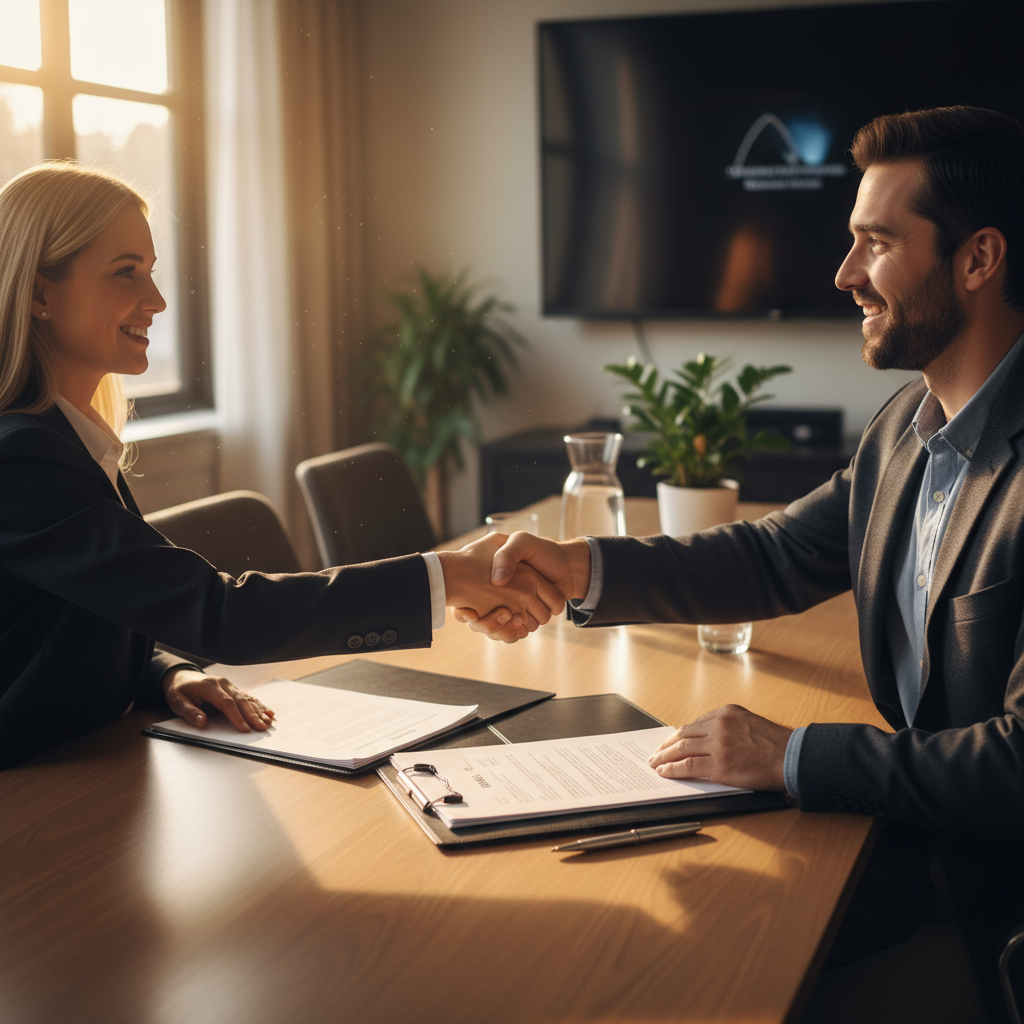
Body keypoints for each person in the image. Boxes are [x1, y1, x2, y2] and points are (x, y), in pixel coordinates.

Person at [463, 106, 1024, 1020]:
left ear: (977, 259)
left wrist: (793, 753)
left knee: (675, 981)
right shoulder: (905, 433)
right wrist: (575, 570)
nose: (845, 275)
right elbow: (776, 555)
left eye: (876, 243)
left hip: (986, 907)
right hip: (909, 843)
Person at [0, 160, 562, 772]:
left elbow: (88, 607)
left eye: (152, 273)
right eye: (125, 273)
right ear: (37, 293)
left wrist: (166, 671)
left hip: (97, 781)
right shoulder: (21, 458)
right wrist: (447, 576)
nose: (157, 301)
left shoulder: (69, 440)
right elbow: (219, 614)